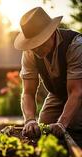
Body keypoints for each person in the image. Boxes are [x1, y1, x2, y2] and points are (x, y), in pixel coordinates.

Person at [14, 7, 82, 142]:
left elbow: (76, 91)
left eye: (39, 42)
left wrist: (62, 122)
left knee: (74, 127)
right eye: (33, 44)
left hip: (79, 92)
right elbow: (28, 92)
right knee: (42, 128)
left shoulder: (75, 45)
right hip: (57, 94)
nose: (36, 49)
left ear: (51, 33)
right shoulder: (30, 52)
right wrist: (29, 120)